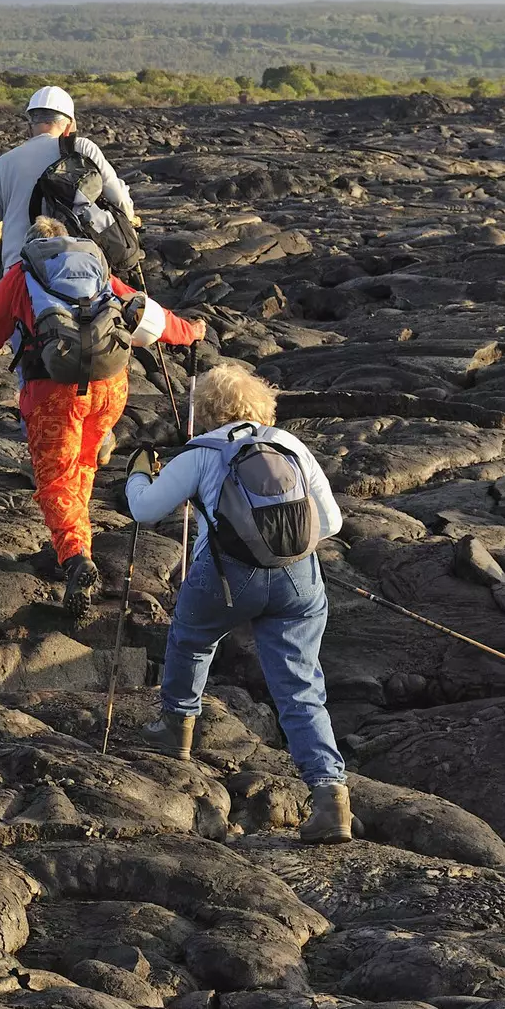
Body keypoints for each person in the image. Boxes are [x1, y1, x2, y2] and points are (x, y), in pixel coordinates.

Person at [124, 362, 353, 844]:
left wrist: (137, 475)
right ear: (261, 403)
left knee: (190, 638)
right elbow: (329, 522)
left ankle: (177, 728)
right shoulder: (290, 445)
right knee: (300, 688)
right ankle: (331, 798)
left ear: (205, 410)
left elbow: (145, 510)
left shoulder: (202, 453)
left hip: (227, 577)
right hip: (298, 581)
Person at [0, 216, 204, 613]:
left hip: (53, 392)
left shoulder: (23, 275)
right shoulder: (93, 268)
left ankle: (76, 556)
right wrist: (190, 331)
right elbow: (151, 318)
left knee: (56, 478)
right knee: (82, 464)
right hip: (109, 386)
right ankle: (77, 535)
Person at [0, 85, 137, 271]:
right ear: (70, 126)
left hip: (22, 273)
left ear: (30, 126)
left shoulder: (5, 163)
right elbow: (120, 201)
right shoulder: (82, 149)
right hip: (81, 270)